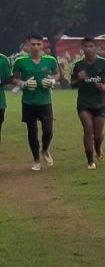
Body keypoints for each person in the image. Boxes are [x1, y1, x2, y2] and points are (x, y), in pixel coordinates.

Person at [14, 34, 59, 170]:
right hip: (28, 102)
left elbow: (57, 74)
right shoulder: (20, 61)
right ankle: (36, 160)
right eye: (33, 44)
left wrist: (52, 81)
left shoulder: (50, 60)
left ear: (43, 45)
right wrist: (23, 83)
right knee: (32, 131)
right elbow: (14, 78)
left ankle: (45, 150)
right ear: (28, 44)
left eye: (38, 44)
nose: (35, 47)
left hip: (45, 101)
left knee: (48, 130)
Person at [72, 37, 105, 168]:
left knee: (98, 134)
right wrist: (79, 78)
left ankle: (98, 147)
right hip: (84, 103)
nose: (88, 49)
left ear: (96, 48)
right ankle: (90, 161)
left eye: (91, 46)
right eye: (86, 47)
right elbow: (72, 85)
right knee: (88, 129)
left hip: (100, 103)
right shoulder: (78, 65)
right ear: (82, 49)